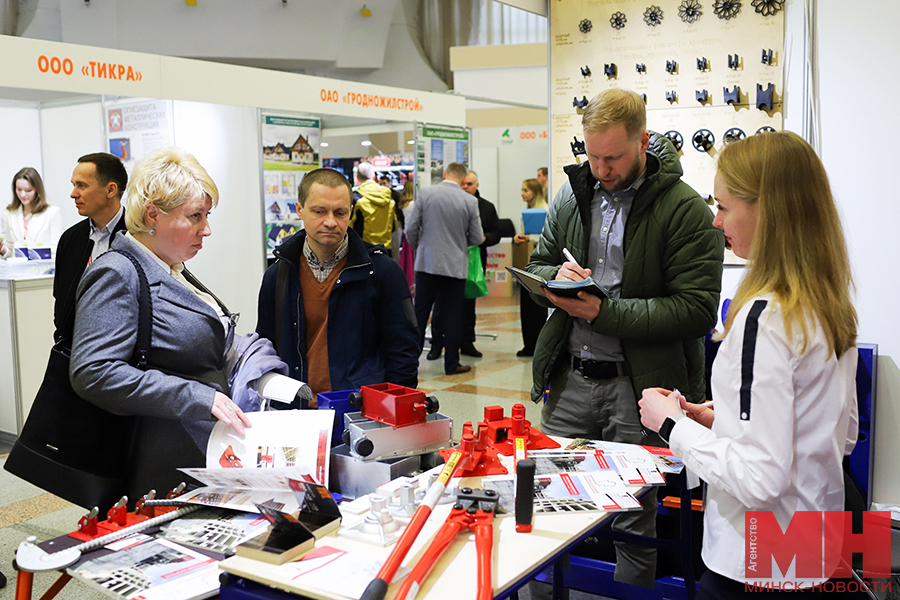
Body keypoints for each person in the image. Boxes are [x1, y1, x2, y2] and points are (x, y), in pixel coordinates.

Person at [640, 131, 859, 597]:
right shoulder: (827, 303)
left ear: (767, 209)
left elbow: (760, 479)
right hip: (808, 545)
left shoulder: (765, 316)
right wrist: (719, 419)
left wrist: (673, 427)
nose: (717, 222)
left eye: (723, 206)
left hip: (754, 558)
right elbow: (837, 432)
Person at [526, 88, 724, 587]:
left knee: (633, 518)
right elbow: (539, 263)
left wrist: (604, 311)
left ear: (644, 141)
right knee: (555, 507)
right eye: (591, 155)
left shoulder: (685, 210)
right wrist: (557, 281)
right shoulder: (573, 194)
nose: (600, 168)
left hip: (641, 390)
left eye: (612, 157)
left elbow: (696, 310)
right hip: (569, 380)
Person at [70, 146, 253, 501]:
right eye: (196, 216)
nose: (207, 229)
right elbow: (93, 371)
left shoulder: (170, 267)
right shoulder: (117, 271)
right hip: (156, 462)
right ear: (153, 214)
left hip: (195, 453)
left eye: (207, 215)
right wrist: (197, 396)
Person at [257, 168, 419, 399]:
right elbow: (266, 348)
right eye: (319, 211)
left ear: (351, 212)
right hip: (296, 410)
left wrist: (394, 408)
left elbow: (403, 351)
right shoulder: (278, 276)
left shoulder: (383, 272)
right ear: (299, 210)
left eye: (340, 212)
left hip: (360, 409)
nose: (330, 222)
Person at [406, 162, 483, 375]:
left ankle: (411, 362)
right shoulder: (469, 200)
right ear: (462, 179)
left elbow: (410, 229)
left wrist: (420, 248)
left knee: (420, 314)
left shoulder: (425, 194)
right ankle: (452, 364)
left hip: (426, 264)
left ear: (444, 174)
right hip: (455, 267)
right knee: (453, 316)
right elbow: (477, 237)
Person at [54, 153, 129, 347]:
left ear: (111, 190)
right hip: (75, 353)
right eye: (74, 185)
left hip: (125, 356)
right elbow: (61, 300)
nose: (73, 194)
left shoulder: (139, 237)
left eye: (82, 186)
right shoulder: (70, 240)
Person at [428, 169, 502, 360]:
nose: (466, 187)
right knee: (440, 305)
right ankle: (437, 344)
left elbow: (496, 231)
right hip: (447, 262)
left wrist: (485, 238)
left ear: (477, 185)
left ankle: (467, 343)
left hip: (474, 263)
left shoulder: (486, 207)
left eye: (470, 184)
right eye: (464, 183)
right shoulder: (450, 203)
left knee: (468, 306)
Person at [513, 178, 548, 357]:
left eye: (525, 190)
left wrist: (531, 238)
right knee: (526, 306)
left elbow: (548, 237)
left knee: (538, 307)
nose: (522, 193)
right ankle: (529, 345)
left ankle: (538, 345)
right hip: (526, 265)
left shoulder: (546, 209)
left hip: (540, 265)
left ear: (534, 191)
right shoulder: (525, 212)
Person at [1, 167, 63, 259]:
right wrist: (2, 250)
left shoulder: (52, 213)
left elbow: (57, 249)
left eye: (28, 190)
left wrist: (34, 252)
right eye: (19, 189)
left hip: (44, 270)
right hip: (17, 271)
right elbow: (9, 251)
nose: (22, 195)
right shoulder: (8, 213)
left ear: (37, 190)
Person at [350, 162, 397, 256]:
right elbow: (394, 226)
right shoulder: (389, 198)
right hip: (385, 251)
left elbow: (350, 228)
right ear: (373, 176)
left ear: (358, 177)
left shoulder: (356, 198)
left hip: (364, 252)